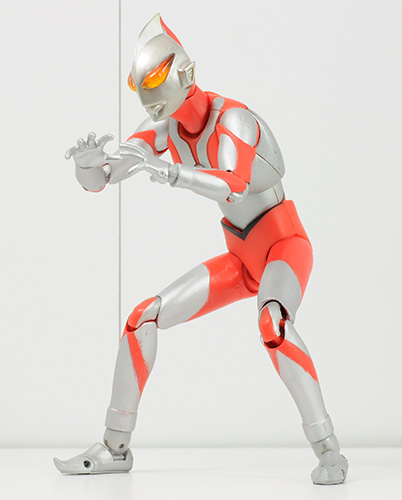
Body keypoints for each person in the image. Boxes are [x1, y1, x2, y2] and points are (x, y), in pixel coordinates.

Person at [55, 13, 348, 484]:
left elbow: (233, 185)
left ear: (185, 74)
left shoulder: (233, 119)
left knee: (272, 324)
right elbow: (107, 176)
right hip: (240, 256)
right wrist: (88, 167)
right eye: (141, 87)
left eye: (156, 82)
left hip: (283, 246)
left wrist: (171, 172)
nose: (150, 97)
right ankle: (114, 448)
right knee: (142, 318)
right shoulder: (166, 128)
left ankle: (329, 451)